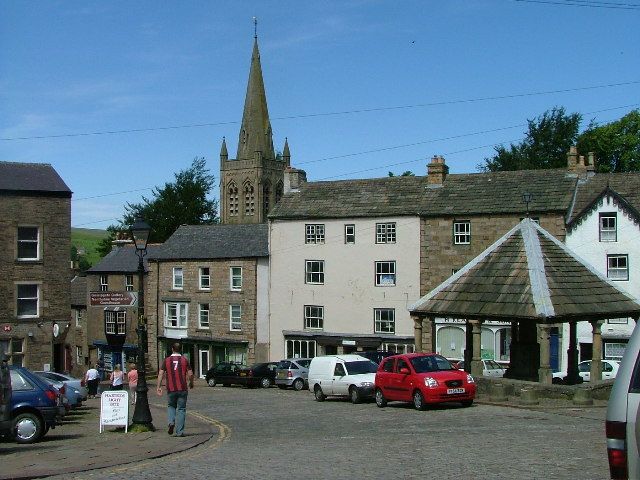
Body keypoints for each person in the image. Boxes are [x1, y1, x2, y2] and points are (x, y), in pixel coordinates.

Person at [156, 343, 194, 437]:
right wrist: (191, 383)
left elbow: (161, 374)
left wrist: (158, 386)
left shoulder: (167, 360)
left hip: (171, 388)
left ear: (172, 349)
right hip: (182, 388)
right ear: (180, 349)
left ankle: (171, 422)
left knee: (171, 406)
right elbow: (190, 373)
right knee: (181, 409)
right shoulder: (184, 360)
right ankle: (179, 432)